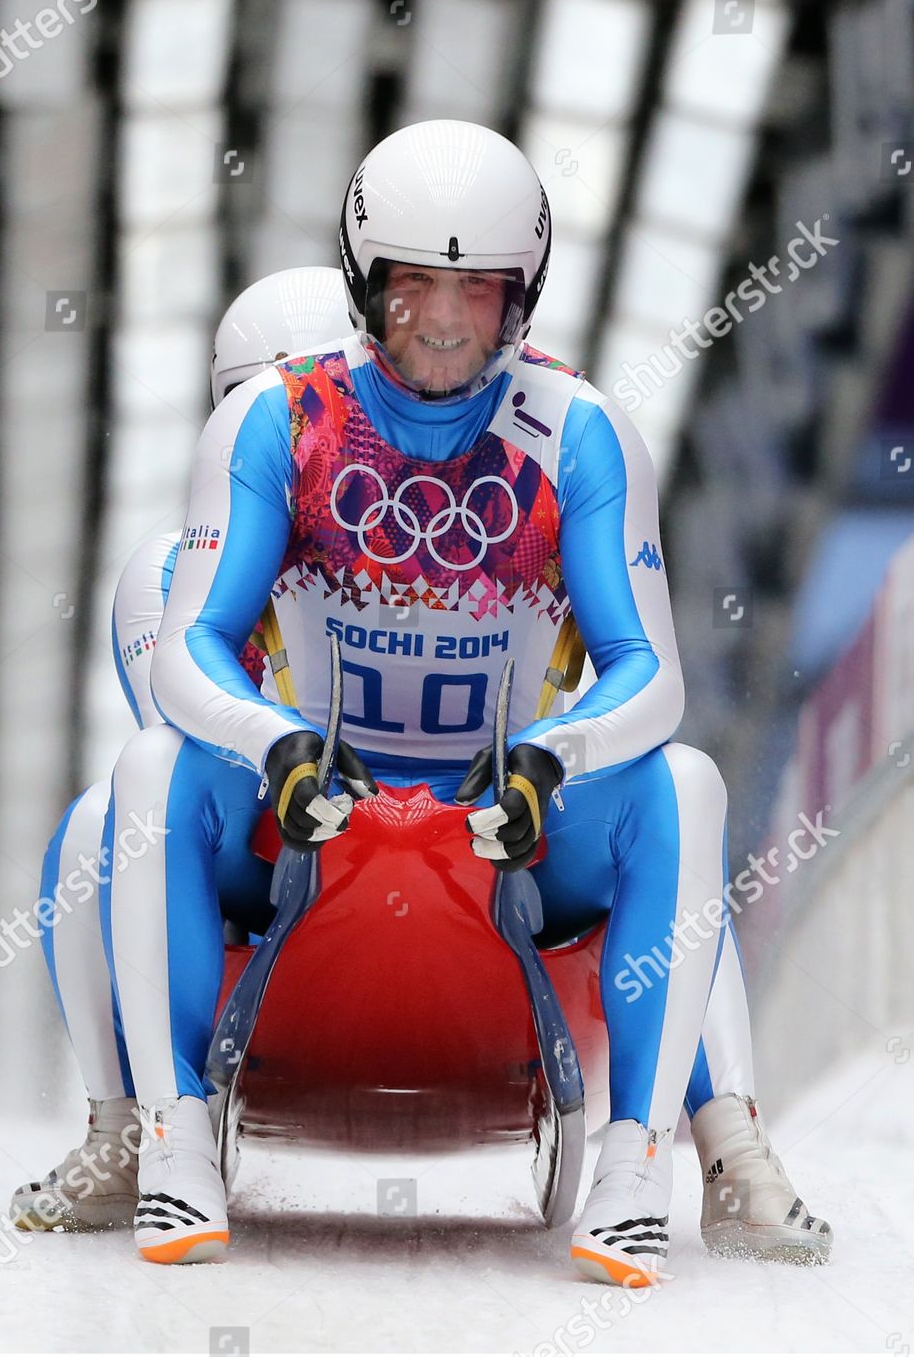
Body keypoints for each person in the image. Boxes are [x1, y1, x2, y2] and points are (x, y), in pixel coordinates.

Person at [99, 120, 830, 1279]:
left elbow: (649, 671)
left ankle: (637, 1161)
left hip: (503, 823)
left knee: (683, 786)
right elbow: (194, 645)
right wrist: (278, 740)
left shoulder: (582, 435)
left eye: (477, 294)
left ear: (521, 297)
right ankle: (165, 1136)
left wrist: (552, 757)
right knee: (141, 778)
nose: (442, 324)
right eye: (414, 290)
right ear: (362, 282)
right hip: (312, 807)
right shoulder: (272, 421)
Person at [8, 267, 353, 1233]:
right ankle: (126, 1124)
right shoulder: (170, 566)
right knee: (96, 822)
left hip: (435, 835)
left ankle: (715, 1132)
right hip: (264, 853)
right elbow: (178, 729)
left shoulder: (446, 541)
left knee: (664, 781)